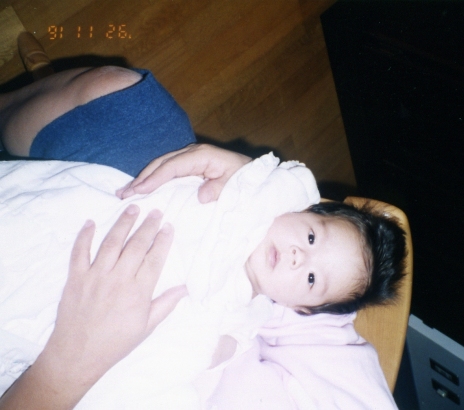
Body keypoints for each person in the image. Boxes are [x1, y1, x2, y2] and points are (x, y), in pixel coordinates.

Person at [0, 32, 406, 409]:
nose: (300, 257)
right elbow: (294, 182)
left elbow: (181, 361)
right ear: (305, 211)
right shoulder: (264, 201)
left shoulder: (245, 319)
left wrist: (207, 352)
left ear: (299, 308)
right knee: (116, 95)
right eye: (313, 237)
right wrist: (252, 176)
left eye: (312, 279)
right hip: (98, 222)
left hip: (82, 335)